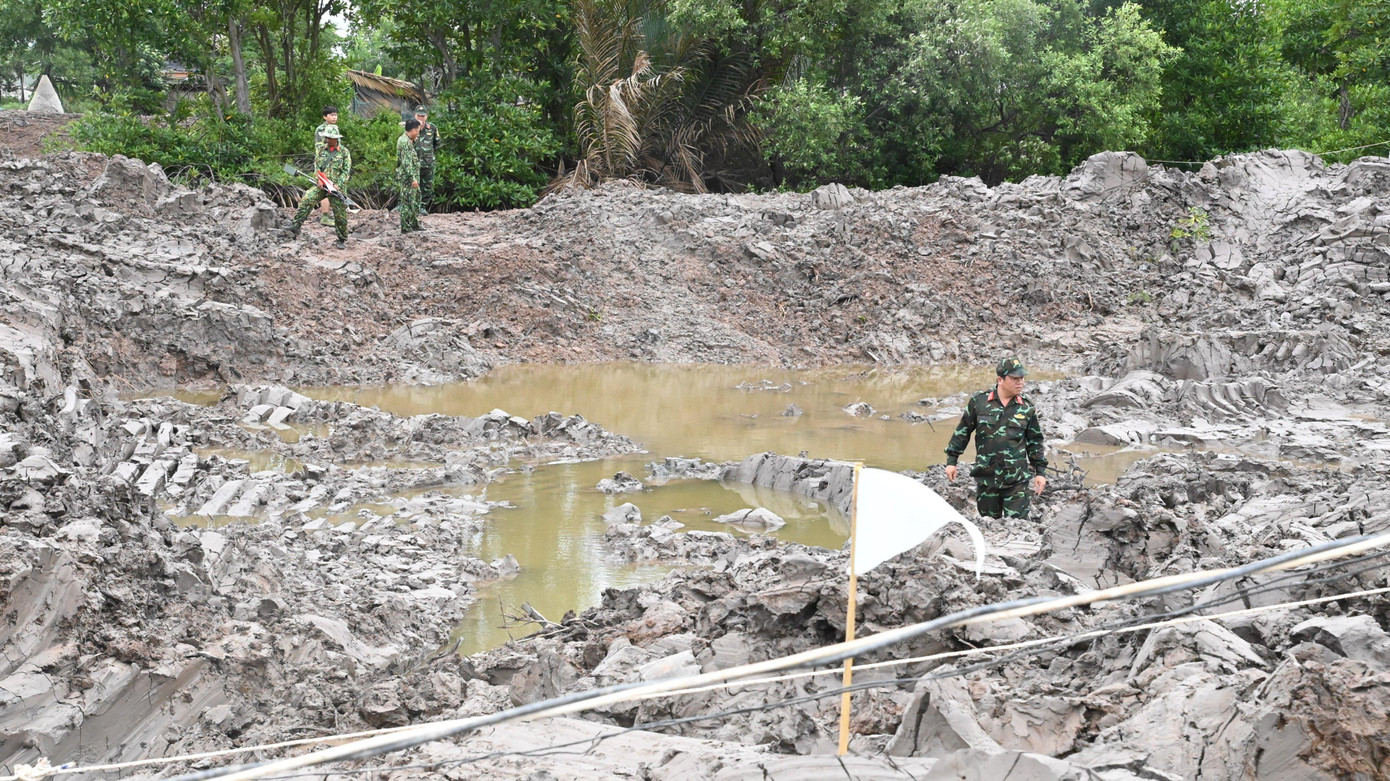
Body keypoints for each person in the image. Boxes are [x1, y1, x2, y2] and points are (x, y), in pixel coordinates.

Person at [943, 357, 1047, 519]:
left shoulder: (1026, 407)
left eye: (1022, 378)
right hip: (987, 479)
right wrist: (952, 461)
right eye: (1015, 379)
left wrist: (1040, 472)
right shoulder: (979, 402)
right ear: (1000, 379)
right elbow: (963, 431)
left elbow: (1035, 441)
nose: (1020, 382)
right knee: (988, 526)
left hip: (1016, 481)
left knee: (1018, 526)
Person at [288, 125, 352, 248]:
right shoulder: (321, 150)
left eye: (330, 138)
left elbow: (346, 171)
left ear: (336, 139)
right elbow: (317, 166)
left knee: (340, 215)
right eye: (327, 137)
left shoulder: (344, 152)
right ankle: (295, 226)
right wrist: (318, 179)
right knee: (307, 200)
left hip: (336, 188)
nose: (328, 140)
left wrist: (338, 185)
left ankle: (342, 239)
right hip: (322, 185)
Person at [313, 106, 340, 224]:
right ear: (325, 116)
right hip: (325, 162)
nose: (334, 117)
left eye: (335, 115)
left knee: (335, 188)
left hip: (335, 163)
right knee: (325, 188)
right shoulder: (321, 129)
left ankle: (333, 214)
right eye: (331, 115)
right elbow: (320, 148)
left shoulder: (336, 128)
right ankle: (324, 216)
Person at [412, 106, 439, 216]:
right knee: (411, 185)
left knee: (427, 186)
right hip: (414, 163)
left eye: (422, 116)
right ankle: (409, 206)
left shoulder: (432, 128)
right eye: (419, 115)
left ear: (426, 116)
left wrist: (429, 156)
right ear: (415, 115)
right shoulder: (411, 127)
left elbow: (436, 144)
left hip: (428, 163)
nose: (420, 118)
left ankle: (422, 207)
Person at [397, 118, 422, 234]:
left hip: (414, 176)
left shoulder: (409, 140)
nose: (418, 132)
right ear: (413, 130)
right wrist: (413, 179)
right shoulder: (404, 142)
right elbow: (406, 163)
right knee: (407, 202)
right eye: (417, 130)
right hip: (408, 178)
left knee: (416, 200)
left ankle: (414, 223)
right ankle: (405, 227)